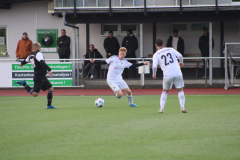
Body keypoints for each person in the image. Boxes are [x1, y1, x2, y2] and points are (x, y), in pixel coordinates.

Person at [15, 42, 57, 109]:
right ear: (36, 48)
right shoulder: (38, 53)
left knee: (51, 88)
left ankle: (49, 105)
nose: (40, 49)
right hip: (39, 77)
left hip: (42, 76)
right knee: (35, 94)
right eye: (39, 47)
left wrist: (22, 63)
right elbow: (42, 62)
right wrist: (49, 69)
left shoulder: (31, 55)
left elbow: (25, 61)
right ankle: (24, 84)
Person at [152, 39, 187, 113]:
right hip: (177, 72)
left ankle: (161, 108)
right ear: (163, 44)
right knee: (180, 90)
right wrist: (181, 62)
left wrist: (154, 74)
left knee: (165, 91)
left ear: (156, 45)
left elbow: (154, 66)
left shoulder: (156, 55)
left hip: (168, 74)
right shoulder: (170, 49)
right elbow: (180, 55)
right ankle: (182, 107)